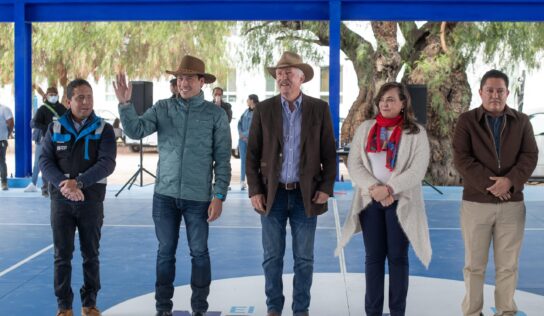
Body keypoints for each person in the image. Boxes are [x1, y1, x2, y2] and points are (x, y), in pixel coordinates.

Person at [113, 55, 231, 316]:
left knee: (199, 253)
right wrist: (125, 104)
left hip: (199, 198)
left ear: (202, 81)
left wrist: (219, 195)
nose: (183, 83)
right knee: (165, 253)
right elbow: (136, 130)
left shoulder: (216, 115)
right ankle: (162, 308)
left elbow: (223, 160)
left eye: (189, 78)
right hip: (164, 196)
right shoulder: (163, 108)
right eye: (180, 78)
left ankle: (199, 308)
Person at [246, 51, 336, 316]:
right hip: (271, 195)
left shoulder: (319, 109)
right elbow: (252, 154)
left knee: (304, 259)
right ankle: (274, 308)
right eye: (279, 73)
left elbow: (329, 154)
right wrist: (254, 190)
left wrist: (326, 188)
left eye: (288, 73)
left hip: (305, 196)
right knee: (272, 258)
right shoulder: (263, 109)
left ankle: (301, 310)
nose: (283, 77)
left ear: (301, 78)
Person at [336, 82, 432, 316]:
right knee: (374, 259)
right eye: (382, 99)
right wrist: (374, 188)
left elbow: (417, 170)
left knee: (398, 259)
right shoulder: (366, 128)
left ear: (403, 103)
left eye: (390, 99)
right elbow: (355, 163)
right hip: (370, 202)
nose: (384, 103)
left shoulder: (416, 133)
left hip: (402, 203)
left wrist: (389, 189)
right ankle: (373, 312)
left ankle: (397, 311)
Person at [453, 69, 538, 316]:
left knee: (508, 266)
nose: (495, 95)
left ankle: (506, 311)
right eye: (489, 90)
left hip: (512, 206)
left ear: (507, 93)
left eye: (500, 90)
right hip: (476, 205)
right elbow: (462, 159)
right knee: (474, 266)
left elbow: (530, 156)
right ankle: (472, 312)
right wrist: (495, 186)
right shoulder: (466, 121)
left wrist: (510, 181)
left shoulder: (522, 122)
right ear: (480, 92)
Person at [39, 79, 117, 316]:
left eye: (89, 97)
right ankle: (64, 307)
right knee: (62, 256)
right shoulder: (54, 128)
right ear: (68, 101)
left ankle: (89, 304)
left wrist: (79, 182)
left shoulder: (104, 129)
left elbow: (107, 163)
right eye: (80, 97)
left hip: (91, 201)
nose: (86, 102)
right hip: (61, 201)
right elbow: (44, 161)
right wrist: (64, 184)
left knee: (90, 254)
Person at [25, 86, 67, 196]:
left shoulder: (62, 109)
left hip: (60, 140)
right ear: (47, 96)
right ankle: (44, 188)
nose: (53, 96)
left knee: (58, 163)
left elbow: (68, 122)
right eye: (51, 94)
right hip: (44, 139)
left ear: (58, 95)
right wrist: (47, 128)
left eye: (55, 94)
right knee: (43, 162)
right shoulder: (42, 109)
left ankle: (57, 187)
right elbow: (33, 123)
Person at [238, 94, 258, 190]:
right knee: (243, 161)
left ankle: (254, 183)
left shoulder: (258, 111)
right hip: (242, 141)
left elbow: (254, 127)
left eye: (248, 99)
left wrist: (245, 135)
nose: (246, 100)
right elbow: (239, 123)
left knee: (254, 161)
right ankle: (242, 182)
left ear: (252, 100)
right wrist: (241, 134)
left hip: (252, 140)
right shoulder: (246, 111)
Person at [0, 102, 14, 191]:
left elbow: (11, 122)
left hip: (1, 140)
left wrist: (8, 134)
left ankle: (4, 182)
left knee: (1, 161)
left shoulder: (4, 109)